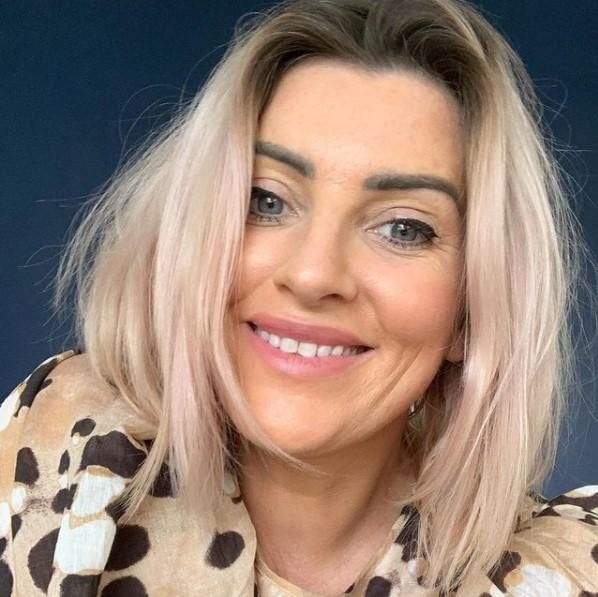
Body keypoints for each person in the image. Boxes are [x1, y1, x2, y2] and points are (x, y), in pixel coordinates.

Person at [1, 0, 596, 595]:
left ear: (471, 310)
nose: (313, 275)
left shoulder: (567, 574)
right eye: (266, 200)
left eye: (403, 228)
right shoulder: (67, 446)